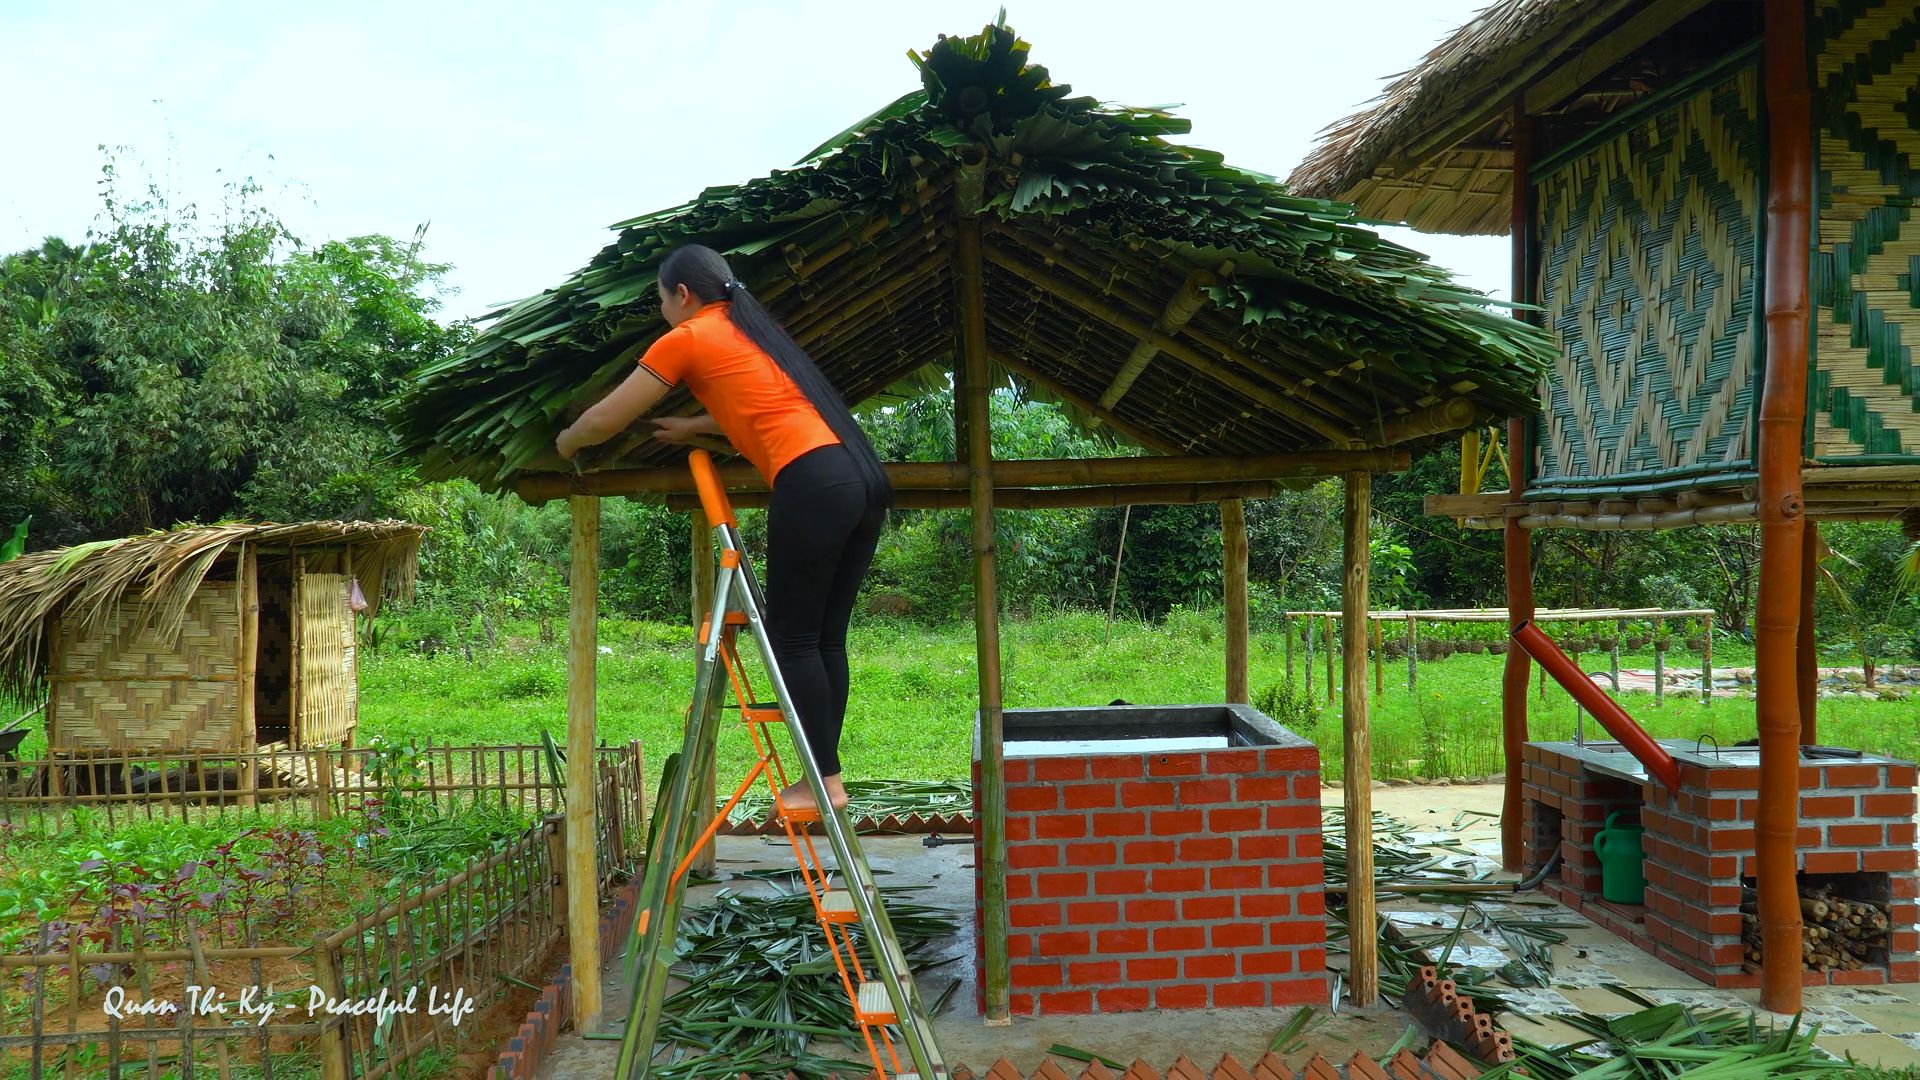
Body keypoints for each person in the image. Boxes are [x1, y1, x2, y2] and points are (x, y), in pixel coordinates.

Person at [555, 244, 891, 814]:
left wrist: (567, 441)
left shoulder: (687, 337)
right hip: (859, 477)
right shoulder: (752, 332)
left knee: (792, 638)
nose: (663, 310)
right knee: (824, 638)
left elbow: (611, 415)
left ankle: (823, 780)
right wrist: (693, 425)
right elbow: (758, 408)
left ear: (681, 295)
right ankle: (827, 777)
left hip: (811, 482)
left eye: (661, 300)